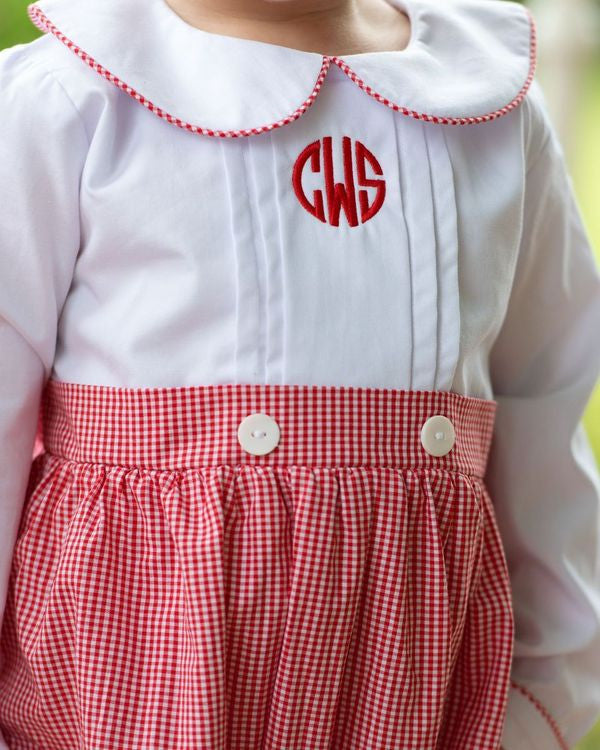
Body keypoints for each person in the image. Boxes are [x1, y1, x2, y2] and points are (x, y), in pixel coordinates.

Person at [0, 0, 599, 747]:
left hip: (416, 708)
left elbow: (548, 404)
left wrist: (544, 701)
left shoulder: (490, 112)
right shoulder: (66, 100)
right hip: (117, 709)